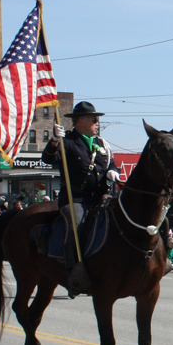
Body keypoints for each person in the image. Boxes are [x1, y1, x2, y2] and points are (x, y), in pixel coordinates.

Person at [41, 101, 119, 295]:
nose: (97, 123)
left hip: (102, 197)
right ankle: (74, 273)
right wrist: (53, 141)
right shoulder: (66, 141)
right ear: (81, 121)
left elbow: (112, 164)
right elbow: (47, 159)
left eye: (97, 119)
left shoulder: (102, 144)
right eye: (93, 119)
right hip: (77, 199)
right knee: (76, 225)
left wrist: (113, 172)